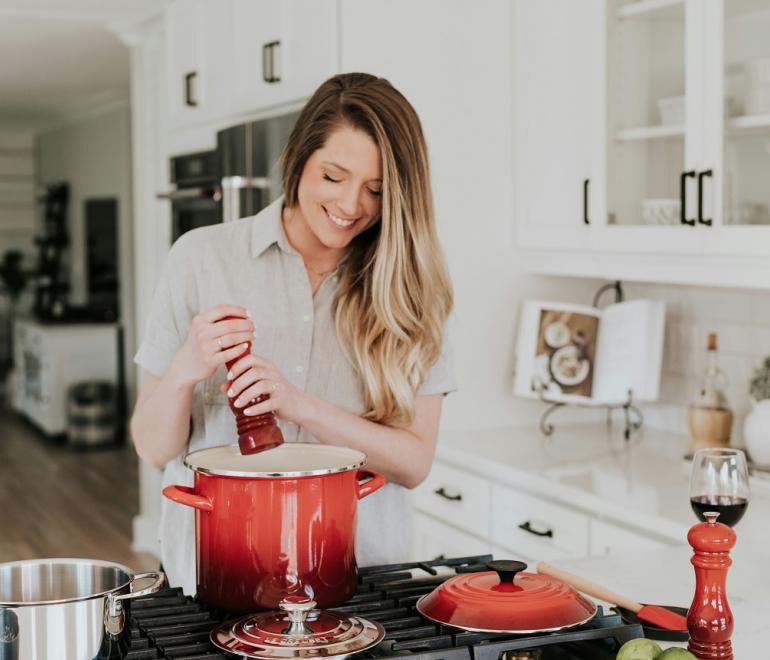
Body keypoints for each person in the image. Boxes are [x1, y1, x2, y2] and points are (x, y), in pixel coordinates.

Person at [130, 72, 456, 595]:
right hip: (217, 579)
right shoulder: (200, 257)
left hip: (360, 583)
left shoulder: (411, 289)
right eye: (333, 176)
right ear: (299, 159)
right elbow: (150, 446)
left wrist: (296, 404)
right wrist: (184, 370)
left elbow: (414, 463)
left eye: (376, 189)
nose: (352, 205)